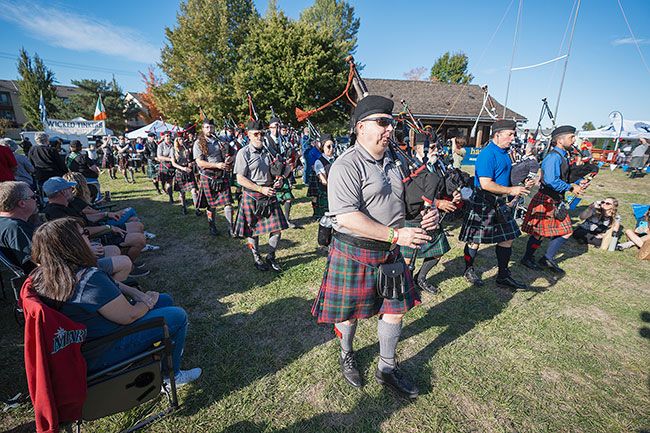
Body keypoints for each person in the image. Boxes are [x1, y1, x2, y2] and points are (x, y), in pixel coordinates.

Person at [311, 95, 438, 399]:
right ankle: (346, 353)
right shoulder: (346, 165)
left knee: (394, 312)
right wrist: (397, 236)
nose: (389, 129)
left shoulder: (394, 163)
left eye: (390, 123)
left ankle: (387, 368)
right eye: (382, 122)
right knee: (348, 315)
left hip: (389, 251)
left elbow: (401, 203)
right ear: (360, 128)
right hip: (355, 250)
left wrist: (423, 215)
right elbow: (347, 216)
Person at [29, 217, 201, 385]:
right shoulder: (89, 280)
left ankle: (167, 350)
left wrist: (135, 292)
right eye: (83, 234)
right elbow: (130, 316)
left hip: (82, 345)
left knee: (165, 300)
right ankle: (170, 376)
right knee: (177, 316)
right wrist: (148, 301)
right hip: (105, 349)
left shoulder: (47, 275)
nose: (88, 237)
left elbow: (110, 286)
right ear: (71, 245)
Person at [458, 119, 532, 290]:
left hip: (499, 201)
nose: (513, 138)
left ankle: (503, 275)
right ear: (497, 135)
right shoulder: (487, 154)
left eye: (514, 134)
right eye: (510, 134)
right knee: (474, 240)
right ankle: (468, 270)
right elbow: (485, 183)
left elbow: (505, 174)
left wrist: (521, 182)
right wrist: (511, 191)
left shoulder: (505, 152)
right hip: (483, 202)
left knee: (508, 237)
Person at [519, 126, 588, 274]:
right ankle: (528, 258)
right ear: (560, 140)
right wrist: (570, 188)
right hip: (546, 199)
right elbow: (550, 180)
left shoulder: (563, 155)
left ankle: (546, 258)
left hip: (555, 199)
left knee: (564, 231)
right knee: (539, 232)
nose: (574, 140)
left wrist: (577, 182)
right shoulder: (553, 157)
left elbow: (563, 176)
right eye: (571, 137)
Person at [402, 134, 461, 294]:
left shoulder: (437, 165)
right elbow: (410, 194)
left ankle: (420, 278)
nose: (436, 150)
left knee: (437, 252)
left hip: (432, 217)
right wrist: (438, 203)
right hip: (413, 216)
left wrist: (453, 194)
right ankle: (404, 288)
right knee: (407, 260)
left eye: (437, 146)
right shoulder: (407, 165)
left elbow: (443, 185)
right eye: (432, 147)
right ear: (418, 148)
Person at [42, 177, 147, 262]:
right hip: (92, 238)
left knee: (137, 226)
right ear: (62, 192)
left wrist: (106, 214)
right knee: (139, 239)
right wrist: (108, 227)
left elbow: (86, 218)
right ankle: (129, 265)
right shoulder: (56, 213)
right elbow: (81, 231)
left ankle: (127, 261)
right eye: (69, 188)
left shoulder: (67, 204)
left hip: (96, 230)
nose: (72, 190)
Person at [233, 119, 289, 272]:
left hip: (269, 194)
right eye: (255, 134)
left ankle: (270, 256)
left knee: (277, 228)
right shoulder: (243, 153)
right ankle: (257, 257)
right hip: (252, 196)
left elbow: (279, 169)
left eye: (262, 134)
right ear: (249, 135)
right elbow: (240, 178)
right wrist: (260, 189)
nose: (259, 137)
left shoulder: (269, 151)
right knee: (252, 230)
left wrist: (279, 180)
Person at [194, 119, 235, 234]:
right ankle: (212, 226)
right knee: (212, 205)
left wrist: (230, 159)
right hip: (208, 176)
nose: (209, 130)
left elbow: (234, 153)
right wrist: (216, 165)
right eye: (206, 127)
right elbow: (200, 163)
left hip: (222, 174)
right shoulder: (198, 143)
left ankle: (230, 228)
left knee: (228, 203)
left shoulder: (221, 140)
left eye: (211, 127)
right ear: (203, 129)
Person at [266, 117, 296, 228]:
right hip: (273, 172)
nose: (277, 129)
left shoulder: (283, 139)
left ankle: (287, 220)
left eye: (278, 126)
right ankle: (275, 221)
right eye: (274, 126)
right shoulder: (266, 140)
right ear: (270, 128)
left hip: (285, 171)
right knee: (275, 199)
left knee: (288, 197)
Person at [306, 134, 333, 218]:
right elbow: (323, 181)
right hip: (326, 191)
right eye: (329, 146)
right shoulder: (319, 162)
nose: (332, 149)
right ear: (322, 147)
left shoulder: (336, 159)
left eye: (333, 146)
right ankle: (316, 214)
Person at [172, 136, 198, 216]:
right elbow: (173, 163)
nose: (182, 140)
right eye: (179, 139)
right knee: (182, 193)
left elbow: (192, 159)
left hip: (189, 172)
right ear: (176, 140)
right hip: (180, 172)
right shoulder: (173, 150)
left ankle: (197, 209)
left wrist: (192, 163)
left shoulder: (187, 148)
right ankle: (184, 208)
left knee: (194, 191)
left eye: (182, 139)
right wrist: (183, 168)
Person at [156, 132, 176, 204]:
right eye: (167, 136)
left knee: (170, 182)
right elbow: (159, 156)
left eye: (169, 136)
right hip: (164, 165)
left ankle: (171, 197)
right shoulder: (161, 145)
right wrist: (170, 159)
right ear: (164, 137)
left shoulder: (174, 144)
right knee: (163, 181)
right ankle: (163, 188)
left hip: (173, 165)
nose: (168, 137)